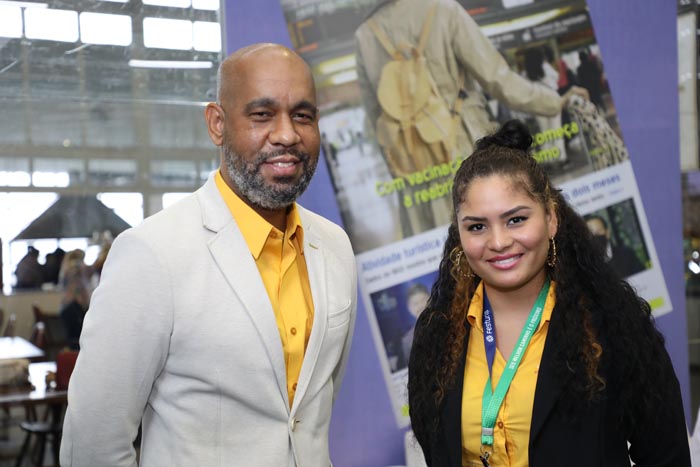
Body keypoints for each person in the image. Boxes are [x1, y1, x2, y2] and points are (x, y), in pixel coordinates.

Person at [60, 43, 358, 467]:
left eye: (303, 115)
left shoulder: (335, 247)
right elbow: (92, 445)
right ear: (217, 124)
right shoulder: (152, 254)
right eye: (262, 115)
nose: (288, 134)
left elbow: (312, 411)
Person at [408, 120, 689, 466]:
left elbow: (666, 454)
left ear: (551, 219)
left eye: (516, 220)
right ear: (460, 235)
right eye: (477, 226)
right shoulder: (437, 334)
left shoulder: (612, 324)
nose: (498, 242)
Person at [355, 0, 588, 238]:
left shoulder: (364, 35)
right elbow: (498, 80)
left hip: (413, 166)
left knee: (440, 251)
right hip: (464, 145)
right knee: (491, 236)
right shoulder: (444, 10)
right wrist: (556, 102)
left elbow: (376, 117)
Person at [585, 214, 645, 278]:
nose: (595, 236)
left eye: (598, 231)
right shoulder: (586, 265)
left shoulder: (627, 255)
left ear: (607, 233)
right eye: (591, 234)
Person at [401, 282, 430, 368]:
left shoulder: (447, 323)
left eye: (423, 300)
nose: (420, 306)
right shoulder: (407, 340)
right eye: (415, 303)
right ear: (409, 308)